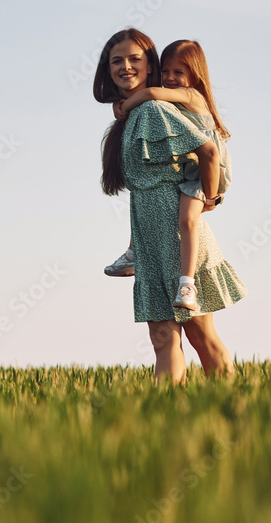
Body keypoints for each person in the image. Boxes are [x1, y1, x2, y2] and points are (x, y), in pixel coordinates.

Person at [94, 28, 247, 383]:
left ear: (150, 66)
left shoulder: (153, 109)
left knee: (200, 336)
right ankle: (166, 420)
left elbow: (208, 150)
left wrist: (209, 197)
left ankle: (235, 409)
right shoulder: (132, 116)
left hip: (181, 240)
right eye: (117, 60)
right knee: (163, 341)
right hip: (149, 242)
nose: (125, 67)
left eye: (135, 59)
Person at [108, 40, 232, 312]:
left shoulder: (190, 95)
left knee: (187, 220)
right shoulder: (172, 99)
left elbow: (151, 92)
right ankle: (132, 253)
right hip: (190, 168)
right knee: (146, 195)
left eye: (179, 72)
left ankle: (187, 283)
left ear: (194, 74)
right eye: (166, 71)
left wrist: (125, 104)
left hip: (202, 173)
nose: (170, 78)